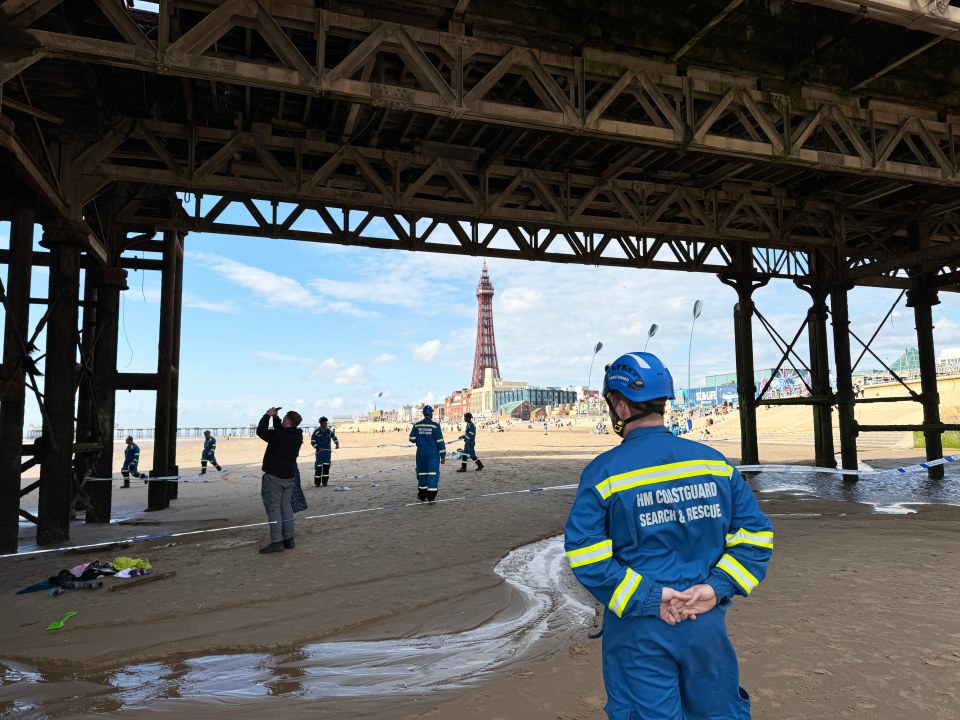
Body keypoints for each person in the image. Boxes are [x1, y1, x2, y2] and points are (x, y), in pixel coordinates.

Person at [565, 352, 773, 720]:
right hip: (704, 620)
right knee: (716, 711)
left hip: (638, 628)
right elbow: (755, 536)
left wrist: (651, 599)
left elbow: (586, 555)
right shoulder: (714, 463)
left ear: (621, 407)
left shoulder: (603, 473)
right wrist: (715, 588)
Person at [256, 407, 303, 554]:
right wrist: (276, 418)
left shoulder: (280, 435)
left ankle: (277, 541)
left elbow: (261, 432)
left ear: (288, 421)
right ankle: (289, 539)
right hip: (289, 476)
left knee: (274, 508)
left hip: (275, 477)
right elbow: (280, 431)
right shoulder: (297, 435)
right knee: (286, 508)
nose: (282, 420)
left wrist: (267, 416)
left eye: (284, 419)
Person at [408, 405, 446, 502]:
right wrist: (443, 456)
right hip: (433, 452)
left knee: (422, 473)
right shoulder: (435, 426)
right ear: (431, 414)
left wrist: (420, 438)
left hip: (421, 452)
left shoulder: (417, 425)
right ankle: (431, 498)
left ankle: (422, 495)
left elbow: (411, 439)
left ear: (424, 414)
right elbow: (440, 441)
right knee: (433, 473)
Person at [310, 416, 339, 486]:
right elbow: (313, 442)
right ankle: (317, 483)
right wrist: (318, 448)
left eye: (326, 422)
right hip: (319, 453)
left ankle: (325, 482)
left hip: (327, 453)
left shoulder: (329, 431)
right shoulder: (316, 432)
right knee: (318, 467)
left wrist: (337, 444)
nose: (326, 423)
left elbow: (334, 437)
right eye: (324, 422)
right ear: (321, 423)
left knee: (326, 467)